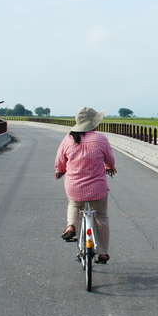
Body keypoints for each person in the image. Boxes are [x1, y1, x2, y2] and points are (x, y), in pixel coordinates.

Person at [54, 107, 117, 264]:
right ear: (94, 123)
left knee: (74, 204)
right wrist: (110, 166)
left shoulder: (68, 138)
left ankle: (71, 226)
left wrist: (60, 171)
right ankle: (103, 252)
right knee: (101, 216)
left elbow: (60, 161)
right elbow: (110, 159)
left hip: (74, 187)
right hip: (97, 189)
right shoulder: (100, 139)